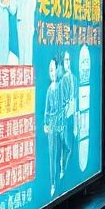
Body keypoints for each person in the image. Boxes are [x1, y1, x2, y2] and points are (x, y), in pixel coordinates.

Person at [44, 57, 62, 197]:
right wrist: (45, 123)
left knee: (59, 151)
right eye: (50, 70)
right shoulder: (49, 90)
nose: (52, 72)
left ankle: (60, 171)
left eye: (53, 69)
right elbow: (46, 109)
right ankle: (52, 183)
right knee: (51, 154)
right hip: (51, 125)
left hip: (60, 124)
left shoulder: (60, 88)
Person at [60, 49, 76, 176]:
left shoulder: (73, 78)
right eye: (66, 60)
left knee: (70, 145)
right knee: (66, 145)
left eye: (69, 60)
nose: (68, 62)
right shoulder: (63, 80)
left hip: (71, 117)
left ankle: (66, 169)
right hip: (64, 118)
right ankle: (63, 169)